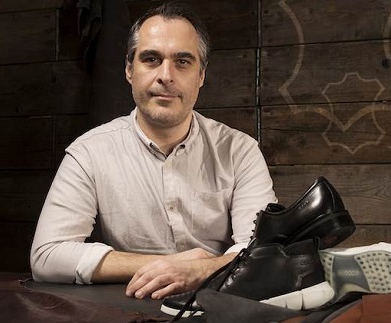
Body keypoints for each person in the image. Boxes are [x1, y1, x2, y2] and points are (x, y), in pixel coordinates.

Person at [30, 2, 277, 300]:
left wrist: (203, 270)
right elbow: (47, 255)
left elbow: (265, 253)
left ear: (201, 75)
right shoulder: (89, 153)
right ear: (129, 70)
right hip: (130, 307)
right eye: (151, 59)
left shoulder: (240, 151)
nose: (166, 76)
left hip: (219, 306)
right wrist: (169, 266)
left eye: (182, 61)